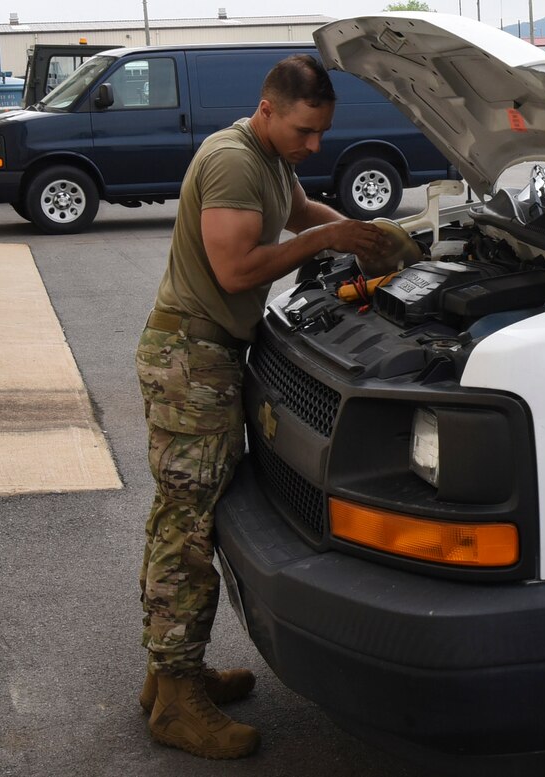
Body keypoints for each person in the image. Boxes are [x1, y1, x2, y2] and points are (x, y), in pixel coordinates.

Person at [134, 54, 388, 759]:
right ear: (269, 109)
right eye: (307, 130)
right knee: (187, 528)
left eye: (323, 133)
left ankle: (168, 674)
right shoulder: (234, 160)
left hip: (209, 357)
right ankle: (178, 698)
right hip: (193, 361)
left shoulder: (271, 160)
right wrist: (328, 241)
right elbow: (235, 269)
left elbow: (304, 211)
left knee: (181, 518)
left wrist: (368, 240)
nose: (316, 145)